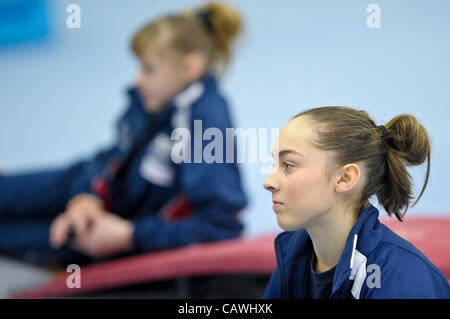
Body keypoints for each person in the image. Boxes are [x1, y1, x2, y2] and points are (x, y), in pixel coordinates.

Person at [0, 2, 247, 268]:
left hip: (112, 231)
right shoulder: (152, 97)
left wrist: (129, 236)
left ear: (191, 66)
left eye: (148, 69)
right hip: (86, 187)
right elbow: (114, 155)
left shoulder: (206, 126)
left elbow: (221, 225)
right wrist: (85, 199)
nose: (137, 79)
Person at [263, 106, 450, 299]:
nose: (268, 182)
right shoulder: (294, 260)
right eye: (274, 164)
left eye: (288, 165)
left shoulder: (403, 280)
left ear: (345, 178)